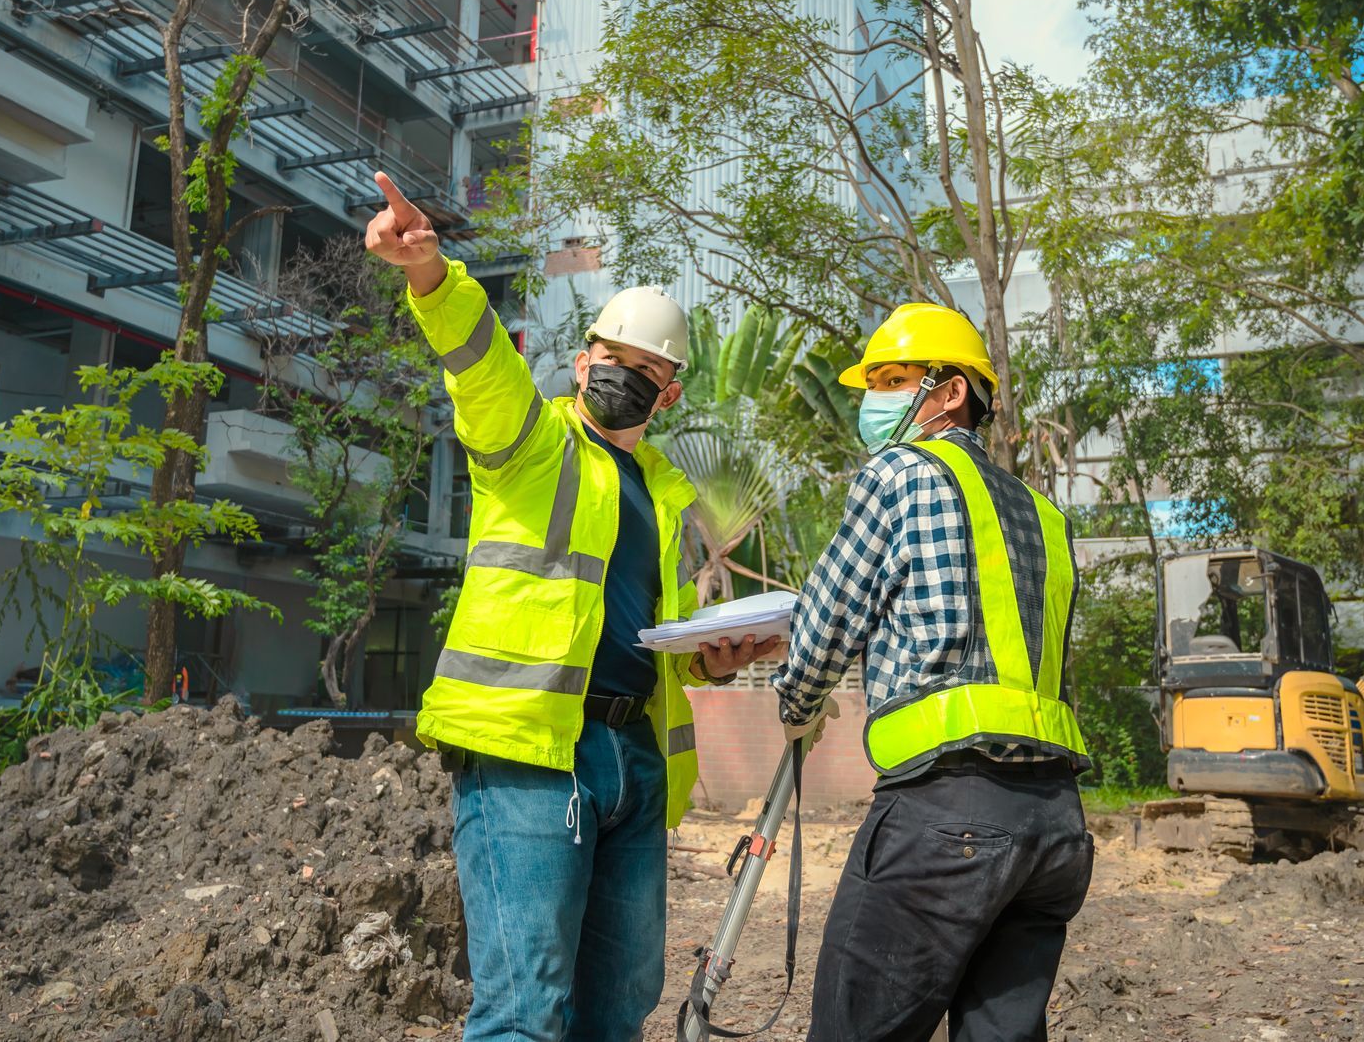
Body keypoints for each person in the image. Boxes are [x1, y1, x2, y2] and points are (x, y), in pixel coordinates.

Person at [364, 170, 776, 1042]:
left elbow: (640, 632)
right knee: (523, 1012)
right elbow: (481, 366)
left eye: (646, 372)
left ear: (669, 395)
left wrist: (712, 657)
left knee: (618, 1011)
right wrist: (433, 276)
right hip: (530, 751)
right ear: (584, 359)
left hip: (633, 758)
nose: (622, 377)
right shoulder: (530, 442)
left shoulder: (665, 496)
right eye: (611, 358)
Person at [772, 303, 1093, 1042]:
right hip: (1053, 827)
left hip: (946, 819)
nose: (874, 396)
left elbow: (828, 617)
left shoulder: (901, 474)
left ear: (950, 391)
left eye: (893, 378)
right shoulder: (1046, 512)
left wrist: (797, 702)